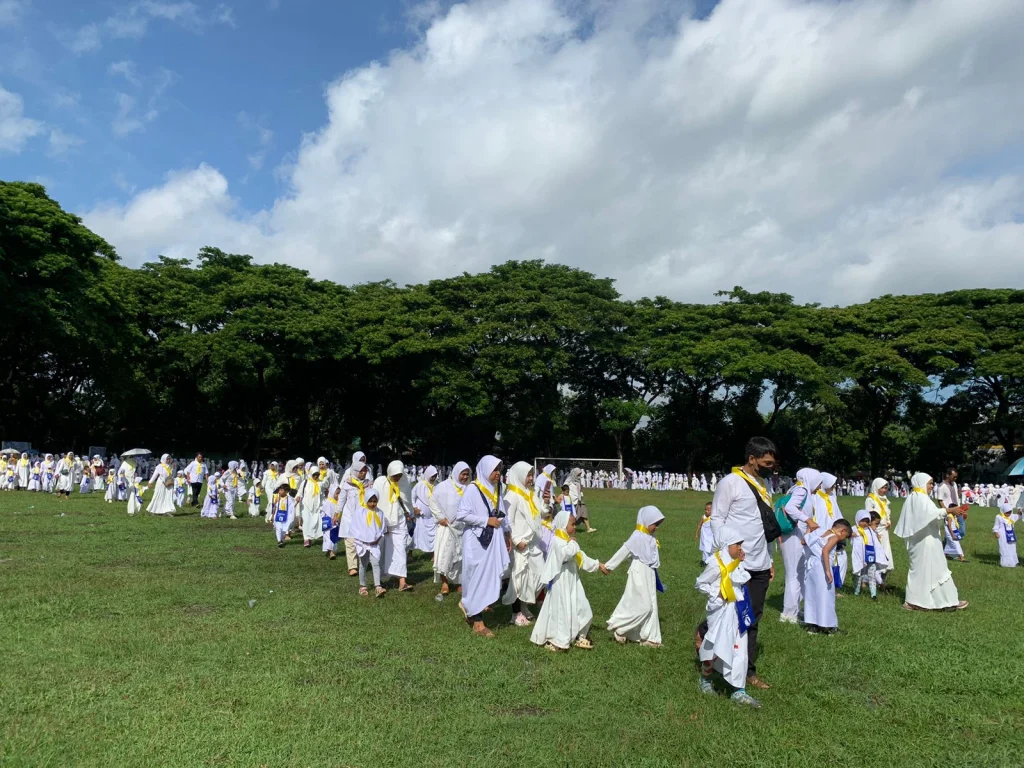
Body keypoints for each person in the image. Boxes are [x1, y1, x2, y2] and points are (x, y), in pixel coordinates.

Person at [707, 437, 777, 691]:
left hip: (760, 563)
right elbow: (717, 519)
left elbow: (766, 525)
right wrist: (726, 555)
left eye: (772, 463)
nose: (771, 467)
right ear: (751, 459)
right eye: (766, 463)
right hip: (737, 564)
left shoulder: (765, 485)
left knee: (752, 618)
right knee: (727, 615)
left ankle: (748, 671)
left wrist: (770, 560)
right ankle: (710, 656)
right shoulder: (730, 483)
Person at [696, 526, 761, 708]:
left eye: (741, 544)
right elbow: (700, 584)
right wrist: (717, 594)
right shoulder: (715, 564)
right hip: (720, 612)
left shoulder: (737, 562)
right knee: (714, 647)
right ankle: (705, 679)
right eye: (736, 545)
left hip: (737, 613)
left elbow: (740, 581)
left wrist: (740, 562)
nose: (740, 548)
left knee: (740, 649)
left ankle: (738, 690)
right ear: (726, 545)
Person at [529, 507, 605, 651]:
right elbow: (567, 554)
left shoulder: (567, 541)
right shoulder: (557, 541)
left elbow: (580, 557)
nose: (575, 527)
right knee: (561, 610)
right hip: (561, 580)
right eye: (572, 524)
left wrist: (597, 565)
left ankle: (579, 635)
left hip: (572, 578)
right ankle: (557, 641)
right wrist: (573, 543)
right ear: (564, 525)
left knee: (582, 606)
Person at [452, 455, 512, 638]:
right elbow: (461, 515)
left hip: (493, 538)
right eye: (494, 470)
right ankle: (477, 622)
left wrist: (507, 533)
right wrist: (485, 520)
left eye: (499, 470)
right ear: (485, 470)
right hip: (475, 541)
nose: (497, 473)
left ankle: (474, 607)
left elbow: (502, 513)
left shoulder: (496, 488)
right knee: (475, 577)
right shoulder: (472, 489)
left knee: (487, 575)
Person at [895, 473, 968, 612]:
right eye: (929, 483)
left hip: (928, 539)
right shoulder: (919, 498)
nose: (931, 486)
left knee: (935, 569)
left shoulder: (917, 498)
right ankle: (915, 601)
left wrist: (949, 513)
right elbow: (931, 514)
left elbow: (930, 515)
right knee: (924, 570)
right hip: (924, 541)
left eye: (932, 483)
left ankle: (946, 599)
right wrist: (950, 510)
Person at [605, 505, 664, 647]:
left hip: (649, 574)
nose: (656, 527)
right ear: (647, 520)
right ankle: (620, 628)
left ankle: (651, 637)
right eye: (655, 524)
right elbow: (624, 551)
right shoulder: (637, 536)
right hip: (638, 573)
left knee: (652, 605)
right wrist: (609, 566)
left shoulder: (650, 537)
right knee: (644, 606)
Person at [502, 461, 547, 626]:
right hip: (520, 545)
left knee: (540, 576)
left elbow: (540, 512)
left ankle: (524, 605)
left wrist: (546, 503)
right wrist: (516, 541)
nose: (530, 478)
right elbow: (508, 521)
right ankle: (515, 613)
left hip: (533, 544)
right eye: (528, 475)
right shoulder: (512, 496)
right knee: (518, 578)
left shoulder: (530, 494)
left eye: (531, 475)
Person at [779, 468, 822, 624]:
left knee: (799, 573)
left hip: (798, 535)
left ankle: (796, 608)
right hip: (793, 536)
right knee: (793, 575)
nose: (819, 487)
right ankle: (788, 613)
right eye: (818, 483)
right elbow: (790, 508)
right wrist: (808, 520)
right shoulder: (801, 490)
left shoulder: (799, 490)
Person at [803, 519, 853, 634]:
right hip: (822, 567)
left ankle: (812, 623)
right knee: (827, 595)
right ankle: (828, 625)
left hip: (812, 567)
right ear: (843, 530)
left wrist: (808, 529)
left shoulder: (820, 532)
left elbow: (804, 540)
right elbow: (825, 551)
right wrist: (828, 571)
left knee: (812, 594)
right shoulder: (834, 537)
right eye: (845, 536)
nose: (842, 539)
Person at [429, 461, 469, 601]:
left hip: (462, 527)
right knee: (444, 556)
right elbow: (432, 501)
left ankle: (458, 582)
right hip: (447, 526)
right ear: (456, 473)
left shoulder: (468, 488)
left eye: (467, 474)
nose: (465, 477)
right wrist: (440, 517)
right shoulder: (443, 486)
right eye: (463, 474)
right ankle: (445, 583)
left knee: (460, 556)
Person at [374, 460, 414, 592]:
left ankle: (402, 581)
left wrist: (411, 514)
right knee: (381, 550)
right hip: (383, 520)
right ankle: (378, 579)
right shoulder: (380, 482)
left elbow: (408, 501)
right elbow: (375, 500)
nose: (397, 477)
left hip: (400, 520)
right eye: (395, 475)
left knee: (401, 548)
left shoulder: (405, 482)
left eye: (399, 475)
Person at [349, 487, 386, 596]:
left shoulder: (379, 513)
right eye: (370, 501)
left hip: (374, 543)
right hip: (362, 543)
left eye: (375, 501)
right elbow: (355, 527)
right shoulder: (360, 512)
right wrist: (362, 539)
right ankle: (362, 586)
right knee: (363, 564)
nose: (372, 504)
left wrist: (377, 539)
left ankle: (378, 586)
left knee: (375, 563)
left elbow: (382, 528)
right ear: (366, 500)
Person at [339, 459, 371, 577]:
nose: (363, 473)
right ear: (355, 471)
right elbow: (341, 499)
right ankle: (352, 567)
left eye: (365, 471)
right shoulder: (347, 484)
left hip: (364, 517)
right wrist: (337, 513)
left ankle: (364, 562)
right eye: (361, 471)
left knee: (363, 541)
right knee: (350, 542)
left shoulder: (369, 484)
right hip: (349, 517)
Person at [865, 478, 894, 585]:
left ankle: (881, 578)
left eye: (886, 488)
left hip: (884, 530)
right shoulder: (871, 499)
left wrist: (888, 521)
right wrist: (874, 530)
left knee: (885, 553)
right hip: (875, 529)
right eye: (882, 488)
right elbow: (869, 515)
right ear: (876, 487)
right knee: (875, 554)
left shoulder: (884, 500)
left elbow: (887, 513)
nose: (884, 490)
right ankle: (868, 579)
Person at [411, 466, 439, 555]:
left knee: (433, 535)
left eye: (435, 476)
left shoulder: (437, 485)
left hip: (432, 516)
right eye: (432, 476)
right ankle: (410, 553)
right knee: (417, 534)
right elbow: (412, 496)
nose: (434, 478)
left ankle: (432, 554)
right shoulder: (420, 485)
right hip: (421, 516)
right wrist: (414, 507)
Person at [851, 511, 880, 599]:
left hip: (870, 555)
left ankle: (873, 594)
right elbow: (848, 536)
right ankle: (856, 591)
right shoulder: (854, 529)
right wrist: (854, 534)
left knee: (872, 575)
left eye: (867, 521)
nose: (865, 523)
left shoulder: (870, 530)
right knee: (859, 574)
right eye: (863, 521)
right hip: (860, 557)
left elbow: (875, 541)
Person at [299, 465, 325, 548]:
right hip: (306, 505)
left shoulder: (321, 483)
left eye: (317, 474)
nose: (316, 476)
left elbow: (323, 496)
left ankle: (313, 536)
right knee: (306, 521)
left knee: (316, 521)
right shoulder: (305, 482)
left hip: (317, 506)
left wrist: (324, 505)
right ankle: (306, 539)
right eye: (314, 474)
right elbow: (300, 492)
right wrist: (298, 497)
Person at [566, 469, 596, 533]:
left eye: (580, 474)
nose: (579, 476)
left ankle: (588, 528)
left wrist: (581, 493)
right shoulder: (568, 481)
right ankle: (570, 528)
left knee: (584, 512)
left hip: (579, 500)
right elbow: (564, 489)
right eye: (578, 474)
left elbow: (579, 490)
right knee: (572, 516)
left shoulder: (578, 481)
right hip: (572, 501)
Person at [993, 496, 1020, 568]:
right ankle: (1005, 563)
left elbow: (1019, 515)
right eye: (1007, 512)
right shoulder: (999, 517)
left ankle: (1012, 562)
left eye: (1010, 512)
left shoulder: (1012, 517)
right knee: (1004, 547)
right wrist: (996, 532)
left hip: (1011, 535)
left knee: (1012, 547)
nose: (1008, 514)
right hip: (1003, 535)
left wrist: (1020, 511)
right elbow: (996, 526)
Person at [271, 481, 296, 547]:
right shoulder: (277, 498)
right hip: (278, 516)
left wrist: (291, 517)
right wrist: (273, 515)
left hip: (286, 517)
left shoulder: (290, 500)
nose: (279, 492)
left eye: (281, 490)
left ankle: (282, 540)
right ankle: (279, 541)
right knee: (278, 528)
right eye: (279, 490)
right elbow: (275, 507)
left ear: (286, 491)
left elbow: (292, 509)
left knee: (284, 530)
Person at [321, 483, 343, 560]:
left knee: (334, 537)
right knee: (328, 537)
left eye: (340, 493)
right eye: (337, 493)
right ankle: (331, 552)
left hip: (335, 523)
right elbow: (325, 512)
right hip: (328, 523)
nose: (338, 495)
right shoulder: (328, 502)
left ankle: (330, 550)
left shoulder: (338, 503)